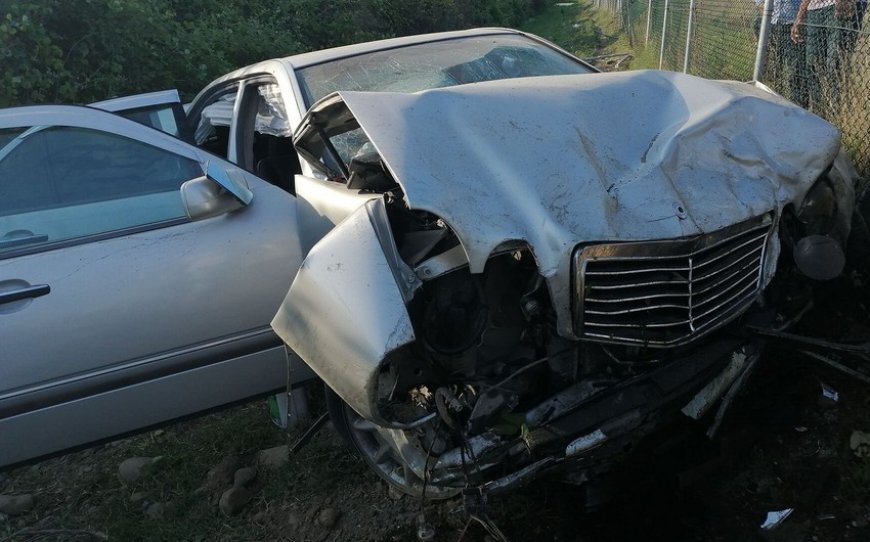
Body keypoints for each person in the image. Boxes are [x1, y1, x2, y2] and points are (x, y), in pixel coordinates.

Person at [791, 0, 856, 109]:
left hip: (834, 7)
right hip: (813, 10)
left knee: (834, 63)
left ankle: (835, 110)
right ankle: (818, 108)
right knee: (813, 64)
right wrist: (799, 17)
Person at [757, 0, 807, 105]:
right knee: (775, 66)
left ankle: (797, 102)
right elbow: (759, 3)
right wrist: (768, 16)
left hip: (792, 23)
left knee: (795, 66)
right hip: (773, 24)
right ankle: (774, 98)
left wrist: (799, 20)